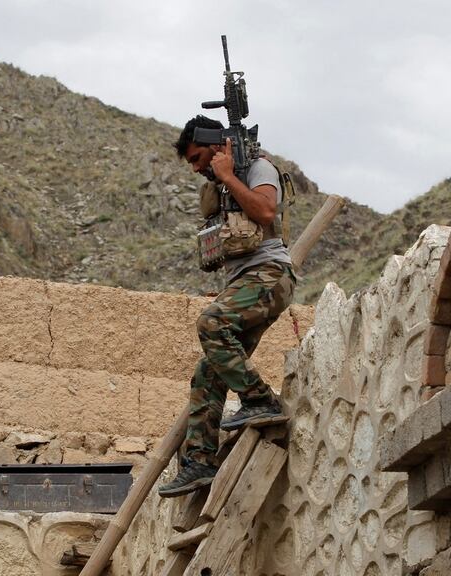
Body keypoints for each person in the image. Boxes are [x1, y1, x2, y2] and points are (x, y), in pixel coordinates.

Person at [158, 115, 296, 497]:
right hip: (244, 282)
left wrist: (230, 176)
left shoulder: (258, 168)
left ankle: (260, 400)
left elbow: (267, 213)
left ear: (218, 146)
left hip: (269, 275)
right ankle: (199, 462)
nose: (197, 167)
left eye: (199, 157)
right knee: (207, 373)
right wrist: (221, 179)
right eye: (191, 163)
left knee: (211, 323)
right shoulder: (219, 185)